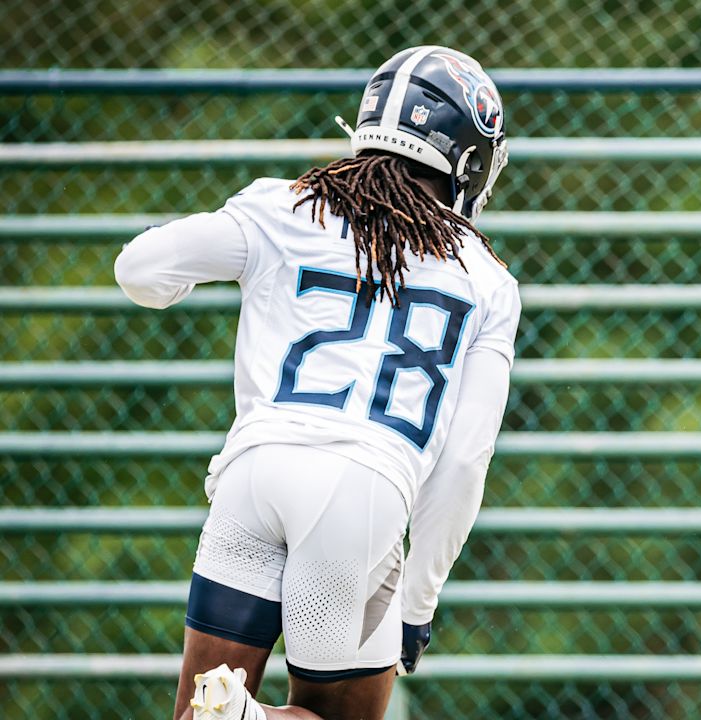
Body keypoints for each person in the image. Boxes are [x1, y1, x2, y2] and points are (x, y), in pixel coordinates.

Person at [114, 45, 518, 720]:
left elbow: (140, 266)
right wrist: (418, 603)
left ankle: (229, 713)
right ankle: (241, 716)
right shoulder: (486, 279)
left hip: (253, 470)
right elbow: (464, 463)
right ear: (468, 160)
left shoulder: (285, 208)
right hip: (360, 491)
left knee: (195, 715)